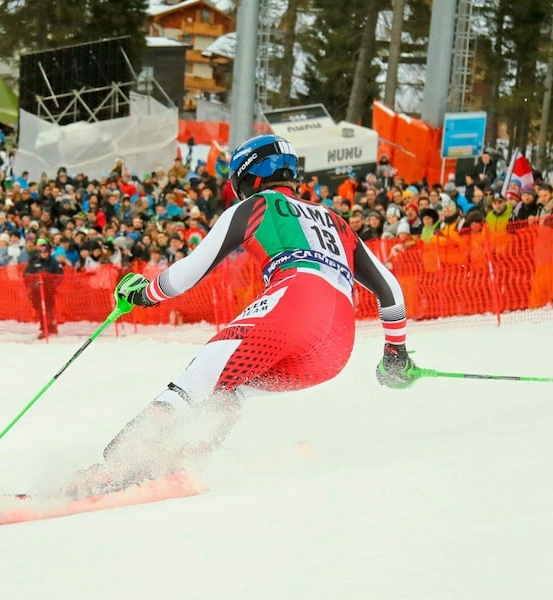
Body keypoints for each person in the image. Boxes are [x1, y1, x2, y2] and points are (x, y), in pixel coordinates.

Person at [67, 134, 419, 498]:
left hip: (293, 305)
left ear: (248, 178)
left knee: (200, 374)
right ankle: (188, 457)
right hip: (334, 350)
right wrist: (396, 354)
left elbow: (190, 271)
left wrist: (145, 293)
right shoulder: (337, 221)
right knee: (231, 384)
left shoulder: (255, 207)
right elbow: (389, 288)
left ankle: (118, 467)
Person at [24, 238, 63, 339]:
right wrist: (34, 282)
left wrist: (51, 284)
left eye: (45, 252)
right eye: (41, 252)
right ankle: (44, 326)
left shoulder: (53, 262)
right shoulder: (35, 262)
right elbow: (27, 275)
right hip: (37, 291)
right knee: (41, 309)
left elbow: (59, 275)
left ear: (49, 252)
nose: (43, 254)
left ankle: (48, 327)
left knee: (49, 309)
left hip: (48, 291)